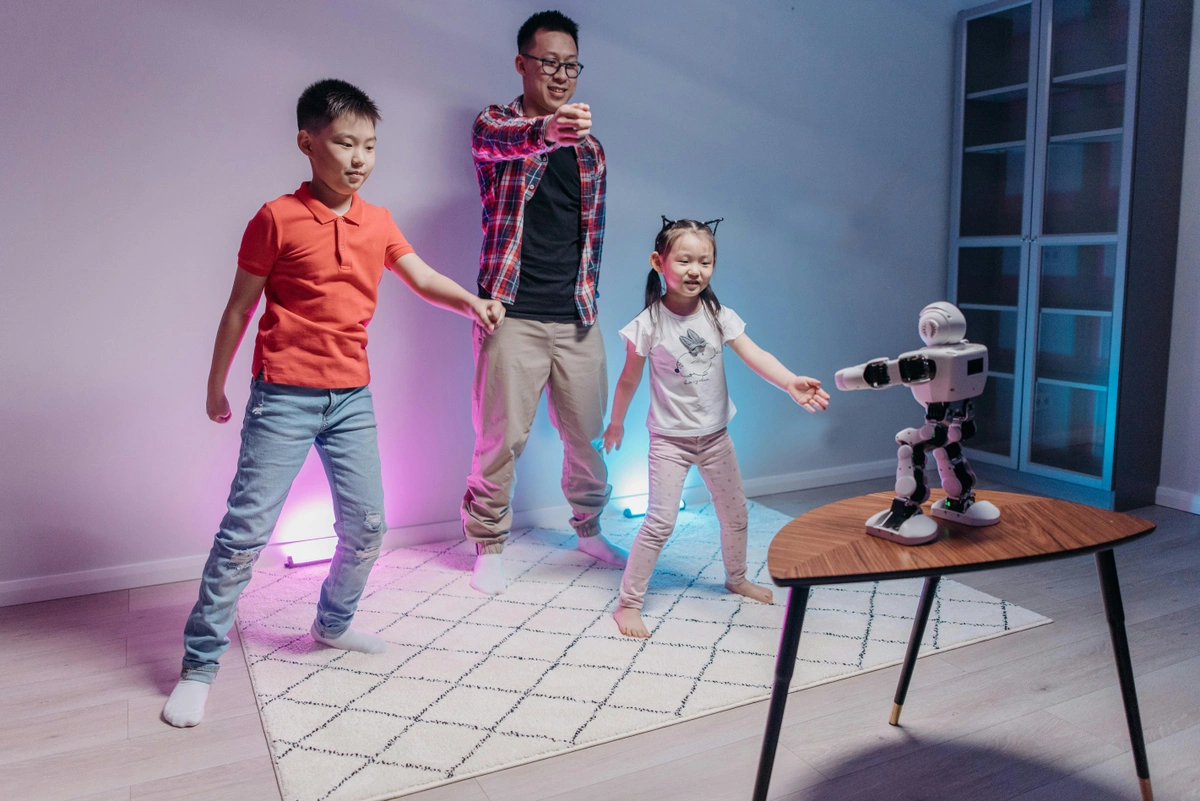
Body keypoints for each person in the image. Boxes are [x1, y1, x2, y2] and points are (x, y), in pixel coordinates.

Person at [162, 79, 505, 727]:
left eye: (369, 146)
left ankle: (332, 624)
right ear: (307, 142)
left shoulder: (378, 221)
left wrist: (471, 301)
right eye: (345, 143)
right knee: (244, 536)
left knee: (369, 526)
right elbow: (238, 309)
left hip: (351, 398)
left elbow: (422, 276)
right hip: (283, 396)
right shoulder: (276, 218)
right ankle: (199, 666)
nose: (359, 158)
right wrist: (214, 385)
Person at [604, 218, 831, 638]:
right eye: (684, 260)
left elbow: (756, 354)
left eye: (705, 262)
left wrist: (789, 382)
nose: (696, 270)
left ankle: (736, 577)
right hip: (670, 442)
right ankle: (628, 603)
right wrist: (615, 424)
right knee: (660, 522)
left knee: (735, 513)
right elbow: (628, 380)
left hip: (715, 438)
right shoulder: (648, 324)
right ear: (658, 262)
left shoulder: (718, 315)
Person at [463, 10, 626, 596]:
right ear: (522, 64)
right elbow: (501, 143)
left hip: (576, 315)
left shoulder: (592, 152)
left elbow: (589, 235)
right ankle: (488, 545)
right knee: (501, 439)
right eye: (549, 62)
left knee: (588, 438)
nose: (561, 75)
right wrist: (548, 131)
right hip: (510, 311)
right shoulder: (496, 125)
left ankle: (589, 530)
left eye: (571, 66)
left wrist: (589, 300)